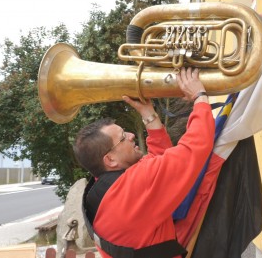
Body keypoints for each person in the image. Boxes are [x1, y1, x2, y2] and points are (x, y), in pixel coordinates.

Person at [74, 67, 219, 258]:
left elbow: (158, 162)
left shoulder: (103, 190)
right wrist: (199, 96)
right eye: (123, 138)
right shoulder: (135, 185)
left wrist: (148, 114)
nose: (132, 135)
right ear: (110, 159)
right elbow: (195, 148)